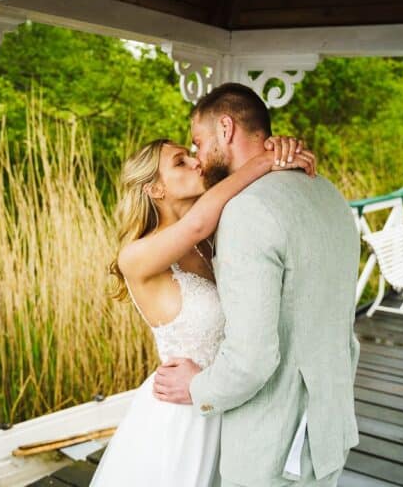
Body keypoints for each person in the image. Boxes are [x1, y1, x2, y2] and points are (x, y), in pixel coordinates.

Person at [90, 111, 317, 485]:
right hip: (180, 417)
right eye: (180, 161)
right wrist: (264, 160)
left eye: (190, 153)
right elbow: (198, 220)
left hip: (226, 402)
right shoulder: (135, 256)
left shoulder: (210, 241)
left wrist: (279, 151)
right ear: (154, 189)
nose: (196, 161)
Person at [152, 83, 361, 486]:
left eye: (197, 143)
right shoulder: (327, 191)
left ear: (225, 128)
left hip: (274, 447)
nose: (197, 157)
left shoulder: (247, 212)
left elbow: (252, 360)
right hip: (328, 428)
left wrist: (196, 386)